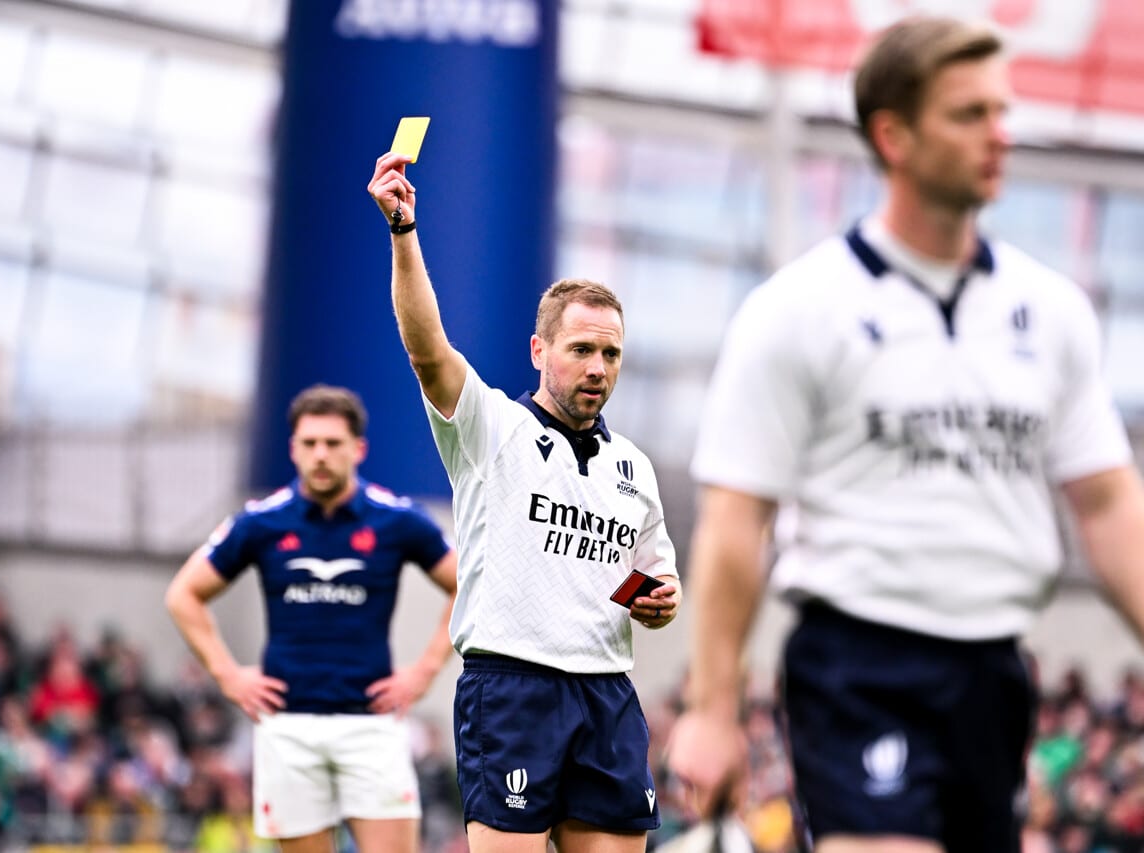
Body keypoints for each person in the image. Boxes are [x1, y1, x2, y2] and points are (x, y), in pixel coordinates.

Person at [667, 15, 1144, 853]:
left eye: (1001, 110)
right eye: (969, 114)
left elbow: (1107, 506)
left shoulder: (1052, 312)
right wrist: (713, 708)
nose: (1000, 134)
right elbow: (736, 521)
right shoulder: (798, 310)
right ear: (894, 136)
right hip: (858, 666)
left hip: (996, 672)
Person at [367, 151, 682, 853]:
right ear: (539, 349)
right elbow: (427, 349)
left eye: (611, 354)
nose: (598, 368)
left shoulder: (633, 466)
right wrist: (403, 232)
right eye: (581, 349)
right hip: (512, 689)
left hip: (607, 694)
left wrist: (664, 598)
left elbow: (655, 575)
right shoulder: (492, 428)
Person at [164, 384, 458, 853]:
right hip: (288, 727)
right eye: (310, 443)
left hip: (370, 723)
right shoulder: (261, 522)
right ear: (293, 449)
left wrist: (423, 672)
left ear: (358, 449)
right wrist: (227, 675)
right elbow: (184, 594)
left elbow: (466, 584)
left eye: (333, 443)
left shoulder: (397, 520)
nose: (320, 454)